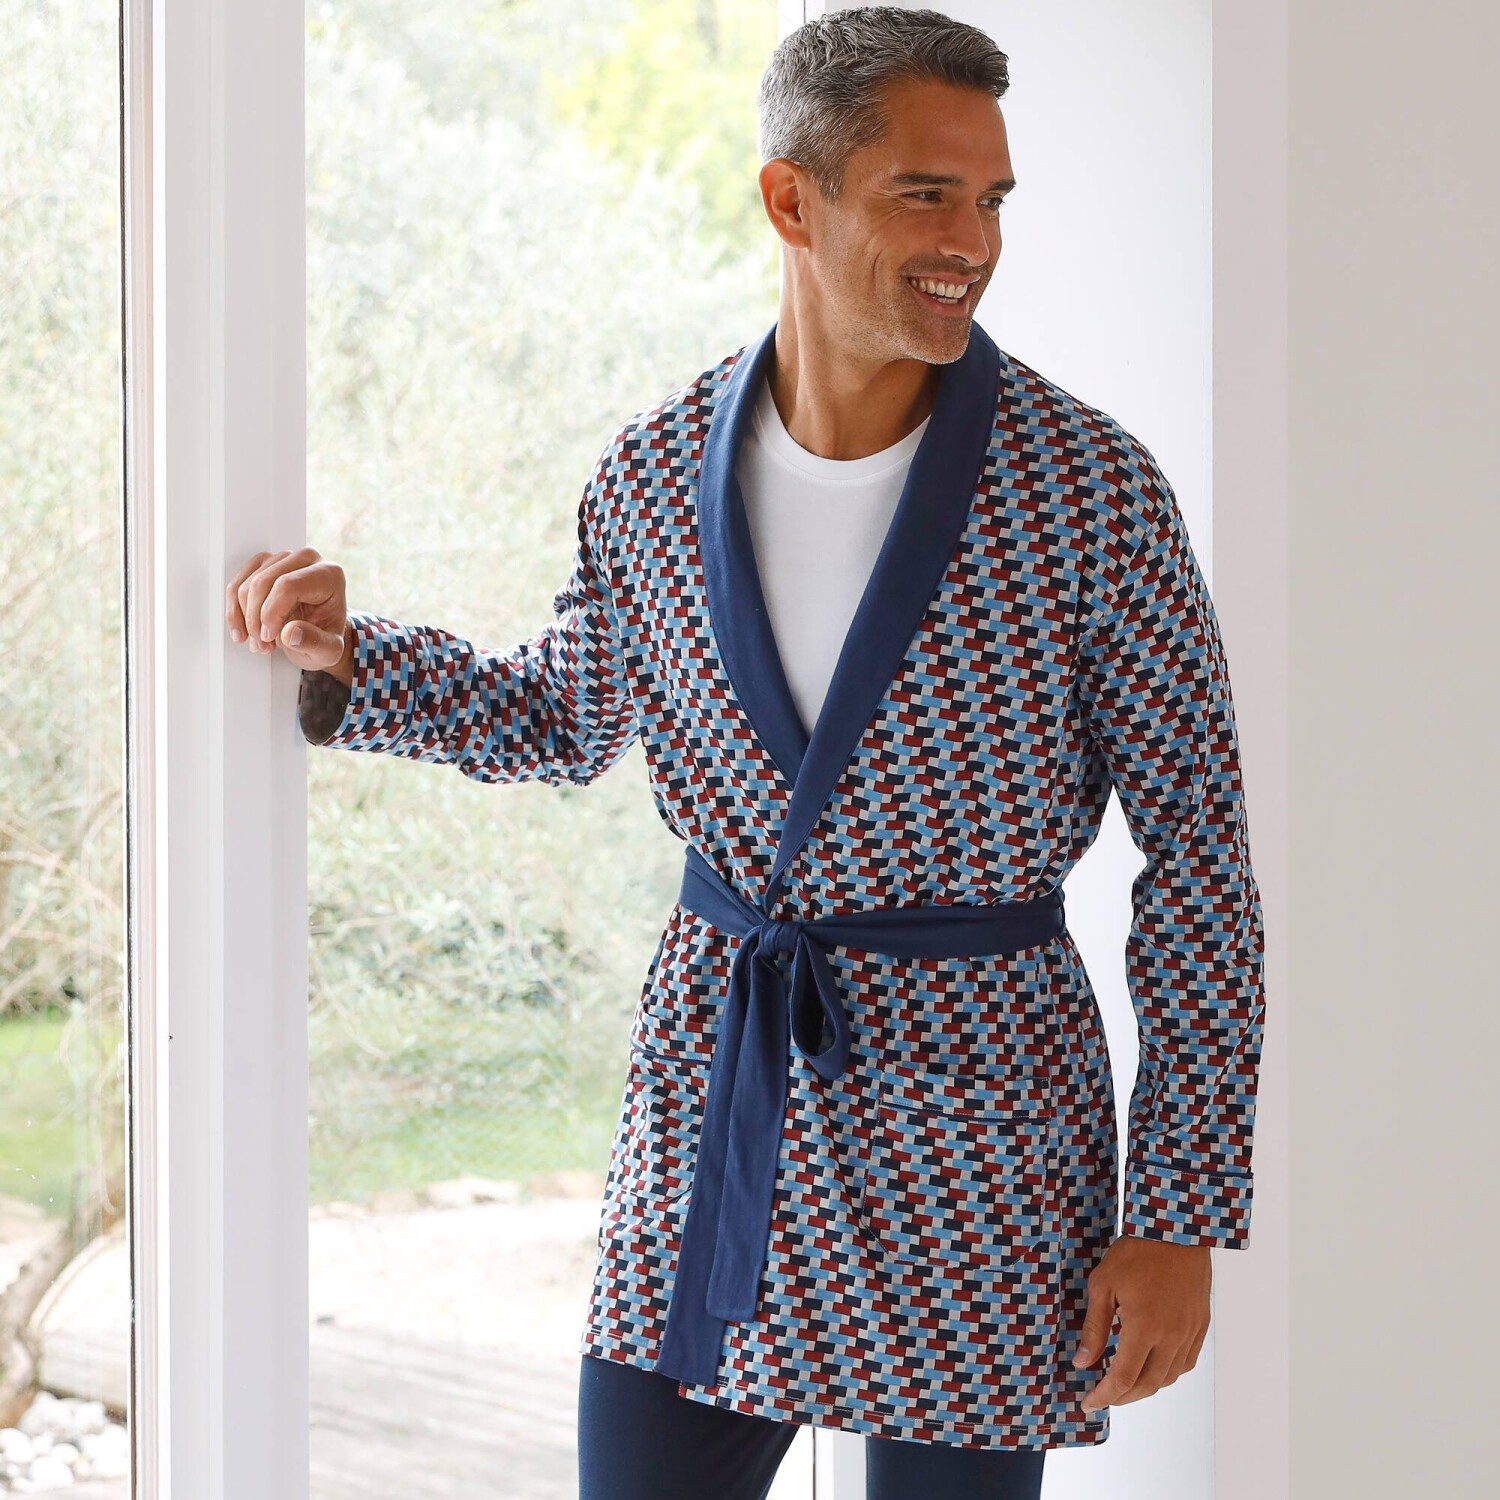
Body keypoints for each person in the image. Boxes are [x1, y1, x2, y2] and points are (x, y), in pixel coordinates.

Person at [227, 8, 1265, 1498]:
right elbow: (563, 716)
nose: (971, 241)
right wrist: (350, 662)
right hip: (722, 1099)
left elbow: (1201, 860)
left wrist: (1178, 1212)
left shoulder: (1088, 491)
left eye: (991, 199)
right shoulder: (654, 476)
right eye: (925, 193)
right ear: (792, 198)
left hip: (983, 1132)